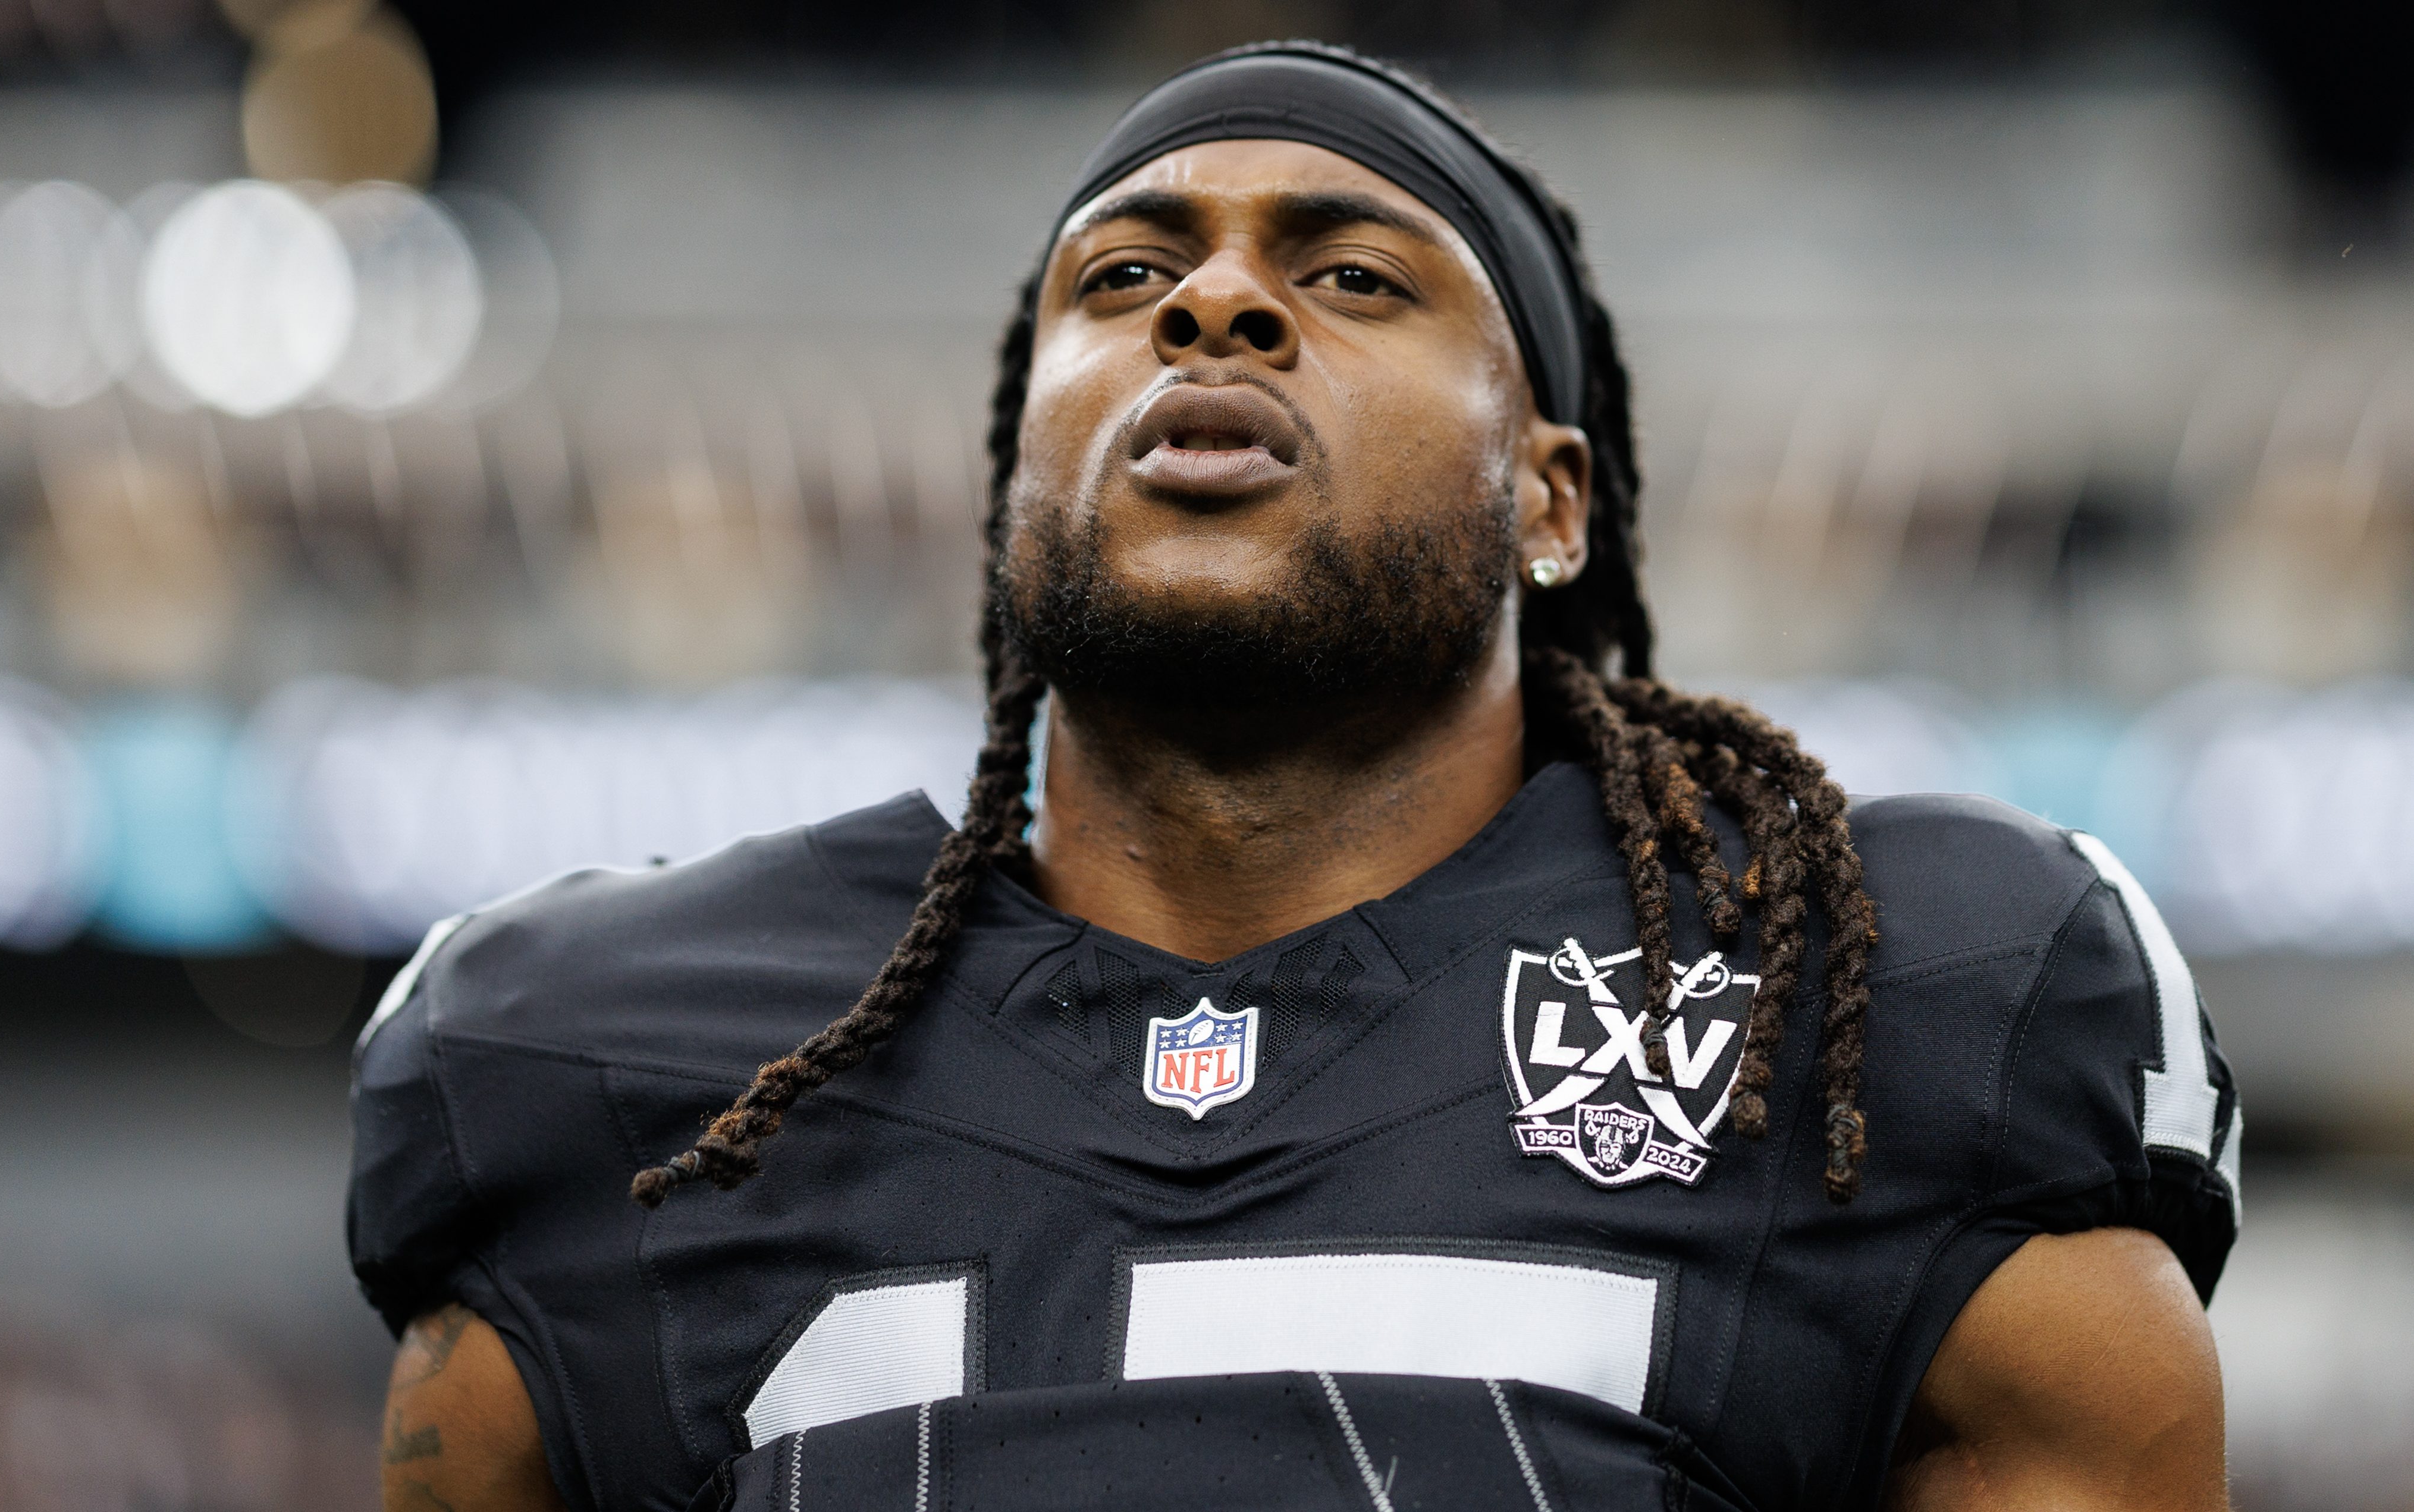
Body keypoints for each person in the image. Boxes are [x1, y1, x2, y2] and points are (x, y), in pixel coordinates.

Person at [350, 42, 2239, 1512]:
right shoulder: (615, 1068)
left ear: (1551, 500)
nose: (1214, 309)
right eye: (1127, 278)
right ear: (1017, 479)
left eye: (1347, 274)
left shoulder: (1876, 1007)